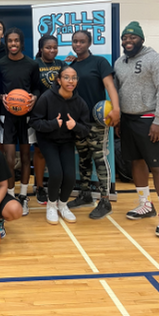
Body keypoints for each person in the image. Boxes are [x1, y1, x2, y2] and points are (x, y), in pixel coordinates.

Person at [113, 22, 159, 238]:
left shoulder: (154, 59)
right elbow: (119, 92)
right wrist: (120, 119)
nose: (128, 41)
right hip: (128, 120)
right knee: (136, 162)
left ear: (141, 39)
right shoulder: (119, 63)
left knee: (158, 166)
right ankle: (145, 205)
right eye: (125, 38)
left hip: (150, 120)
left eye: (132, 38)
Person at [64, 30, 122, 218]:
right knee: (83, 158)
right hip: (77, 121)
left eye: (82, 41)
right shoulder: (70, 65)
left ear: (89, 43)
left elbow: (109, 86)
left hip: (97, 120)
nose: (78, 44)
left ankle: (105, 200)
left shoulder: (99, 62)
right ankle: (85, 194)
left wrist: (116, 108)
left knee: (99, 158)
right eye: (75, 41)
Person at [29, 64, 92, 224]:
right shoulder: (47, 98)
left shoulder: (80, 102)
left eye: (74, 78)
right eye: (66, 77)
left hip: (66, 141)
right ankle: (51, 205)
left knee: (70, 176)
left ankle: (63, 205)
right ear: (58, 80)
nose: (70, 81)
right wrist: (52, 124)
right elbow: (34, 122)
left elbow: (85, 129)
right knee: (56, 173)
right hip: (47, 140)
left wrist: (75, 126)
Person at [0, 28, 40, 216]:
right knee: (9, 158)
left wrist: (34, 99)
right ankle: (10, 195)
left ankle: (23, 195)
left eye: (16, 41)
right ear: (6, 43)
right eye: (10, 41)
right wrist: (1, 97)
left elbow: (37, 89)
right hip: (7, 117)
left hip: (27, 116)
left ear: (21, 43)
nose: (13, 44)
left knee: (25, 157)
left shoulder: (31, 64)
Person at [30, 34, 65, 206]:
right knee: (39, 151)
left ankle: (55, 184)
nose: (52, 50)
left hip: (59, 112)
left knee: (57, 150)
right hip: (40, 113)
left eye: (54, 47)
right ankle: (39, 187)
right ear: (41, 49)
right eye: (48, 47)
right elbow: (32, 87)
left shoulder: (61, 64)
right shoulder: (34, 64)